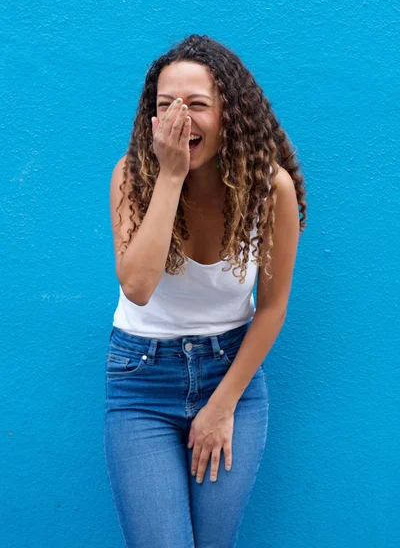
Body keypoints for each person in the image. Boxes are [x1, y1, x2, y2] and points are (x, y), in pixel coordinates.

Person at [103, 34, 306, 548]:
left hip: (230, 375)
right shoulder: (131, 176)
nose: (180, 118)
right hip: (141, 382)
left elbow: (273, 307)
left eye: (197, 105)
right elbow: (139, 286)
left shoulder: (270, 187)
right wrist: (169, 177)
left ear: (230, 114)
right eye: (165, 106)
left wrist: (221, 406)